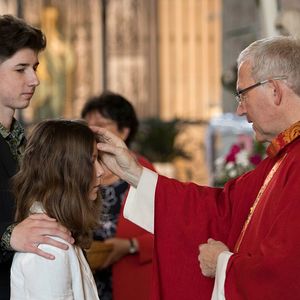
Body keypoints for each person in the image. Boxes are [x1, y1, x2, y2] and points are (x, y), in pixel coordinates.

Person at [93, 36, 300, 299]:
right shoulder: (281, 160)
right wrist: (132, 172)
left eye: (242, 94)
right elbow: (218, 210)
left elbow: (286, 275)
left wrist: (222, 264)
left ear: (274, 90)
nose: (239, 109)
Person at [0, 14, 73, 300]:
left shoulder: (25, 142)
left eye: (35, 67)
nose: (35, 80)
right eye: (21, 69)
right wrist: (8, 237)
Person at [10, 119, 104, 299]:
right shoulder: (50, 248)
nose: (100, 171)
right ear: (65, 171)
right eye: (92, 161)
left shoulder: (59, 232)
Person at [81, 91, 155, 300]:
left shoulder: (142, 173)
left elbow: (166, 232)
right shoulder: (81, 174)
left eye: (101, 125)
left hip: (131, 281)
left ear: (123, 131)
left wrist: (130, 246)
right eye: (88, 127)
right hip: (89, 282)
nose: (92, 132)